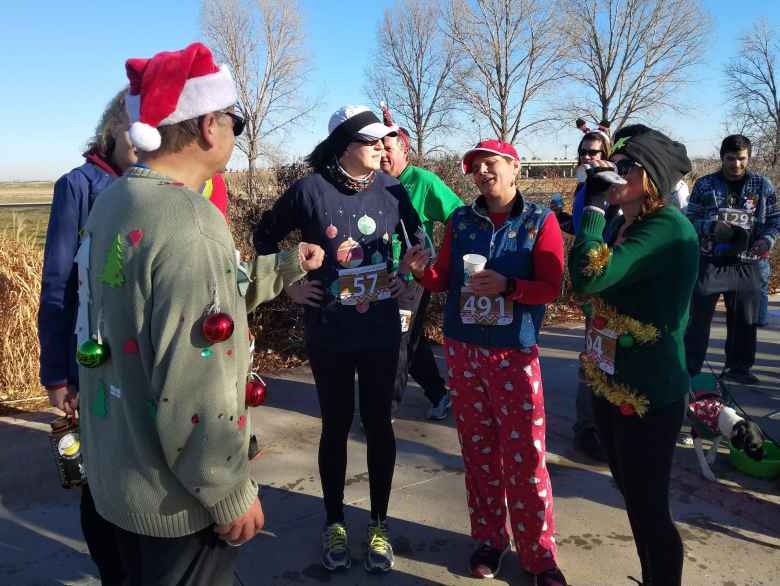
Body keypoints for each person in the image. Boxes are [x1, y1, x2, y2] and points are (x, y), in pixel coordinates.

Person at [75, 43, 323, 586]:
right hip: (175, 505)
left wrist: (280, 268)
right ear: (210, 125)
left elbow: (168, 312)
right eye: (235, 119)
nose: (235, 132)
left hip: (117, 485)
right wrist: (229, 491)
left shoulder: (115, 201)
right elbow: (196, 375)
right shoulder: (190, 220)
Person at [253, 105, 421, 574]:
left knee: (380, 424)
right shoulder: (310, 190)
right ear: (345, 146)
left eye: (385, 141)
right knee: (335, 425)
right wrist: (288, 281)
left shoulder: (391, 187)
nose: (382, 148)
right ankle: (334, 521)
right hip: (329, 328)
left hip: (382, 326)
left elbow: (417, 239)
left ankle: (380, 523)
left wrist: (411, 264)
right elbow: (263, 237)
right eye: (372, 142)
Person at [403, 139, 568, 586]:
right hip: (463, 351)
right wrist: (420, 269)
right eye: (475, 167)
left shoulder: (540, 221)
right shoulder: (461, 220)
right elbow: (442, 281)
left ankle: (539, 556)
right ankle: (490, 539)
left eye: (489, 164)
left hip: (513, 352)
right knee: (478, 452)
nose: (481, 173)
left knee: (526, 457)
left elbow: (551, 287)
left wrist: (510, 286)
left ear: (514, 167)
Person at [569, 124, 697, 586]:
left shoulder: (665, 228)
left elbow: (587, 275)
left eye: (625, 167)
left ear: (652, 178)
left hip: (648, 390)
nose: (613, 172)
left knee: (649, 510)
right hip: (611, 379)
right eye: (613, 164)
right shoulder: (633, 222)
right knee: (632, 496)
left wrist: (594, 209)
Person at [38, 88, 136, 586]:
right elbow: (57, 283)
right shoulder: (79, 186)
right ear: (115, 129)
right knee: (97, 483)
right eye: (137, 124)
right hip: (91, 360)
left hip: (141, 365)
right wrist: (56, 372)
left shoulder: (160, 189)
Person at [379, 105, 463, 419]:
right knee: (408, 337)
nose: (383, 155)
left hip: (413, 278)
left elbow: (459, 215)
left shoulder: (422, 181)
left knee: (397, 339)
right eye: (378, 149)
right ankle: (440, 394)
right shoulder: (374, 183)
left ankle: (386, 409)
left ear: (404, 150)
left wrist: (442, 259)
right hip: (382, 276)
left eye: (388, 148)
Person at [685, 134, 778, 384]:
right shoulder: (704, 184)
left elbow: (774, 221)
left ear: (748, 157)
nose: (736, 164)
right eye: (730, 159)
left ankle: (739, 368)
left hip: (748, 261)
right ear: (721, 157)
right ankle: (689, 366)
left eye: (741, 159)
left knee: (744, 320)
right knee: (698, 318)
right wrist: (710, 227)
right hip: (711, 261)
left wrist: (766, 241)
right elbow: (689, 220)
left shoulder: (763, 185)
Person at [568, 124, 613, 461]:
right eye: (584, 151)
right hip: (589, 277)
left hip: (612, 274)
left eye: (594, 151)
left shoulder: (614, 187)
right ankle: (587, 427)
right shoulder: (582, 187)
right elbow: (585, 226)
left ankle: (605, 422)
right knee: (594, 354)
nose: (587, 156)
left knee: (607, 355)